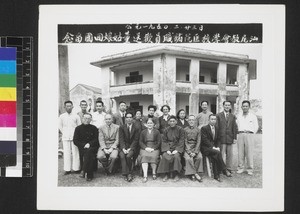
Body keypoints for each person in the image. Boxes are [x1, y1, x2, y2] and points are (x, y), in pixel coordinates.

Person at [200, 114, 232, 182]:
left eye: (214, 119)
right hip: (205, 148)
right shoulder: (204, 128)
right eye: (212, 119)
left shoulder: (217, 128)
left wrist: (217, 147)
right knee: (217, 153)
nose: (213, 121)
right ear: (208, 120)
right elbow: (205, 140)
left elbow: (218, 140)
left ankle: (216, 176)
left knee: (215, 155)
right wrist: (213, 147)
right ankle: (224, 169)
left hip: (214, 150)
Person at [157, 115, 185, 182]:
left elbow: (181, 140)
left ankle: (176, 174)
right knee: (165, 156)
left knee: (176, 157)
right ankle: (166, 174)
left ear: (176, 122)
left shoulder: (180, 129)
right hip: (168, 147)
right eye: (170, 121)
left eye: (173, 121)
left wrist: (177, 150)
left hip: (177, 147)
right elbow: (164, 140)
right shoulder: (166, 130)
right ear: (168, 122)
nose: (172, 122)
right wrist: (167, 150)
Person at [73, 113, 99, 181]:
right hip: (82, 147)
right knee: (88, 152)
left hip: (93, 147)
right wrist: (84, 145)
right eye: (85, 118)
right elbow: (75, 140)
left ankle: (84, 170)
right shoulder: (78, 128)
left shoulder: (94, 128)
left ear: (91, 120)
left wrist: (89, 144)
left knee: (89, 151)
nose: (86, 120)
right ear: (82, 119)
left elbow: (96, 139)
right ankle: (89, 174)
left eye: (88, 118)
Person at [236, 100, 259, 175]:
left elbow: (256, 126)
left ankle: (250, 169)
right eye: (244, 106)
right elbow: (236, 126)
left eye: (246, 106)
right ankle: (240, 168)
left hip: (249, 135)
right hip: (240, 134)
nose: (245, 107)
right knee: (240, 153)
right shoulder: (238, 116)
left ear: (249, 107)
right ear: (241, 107)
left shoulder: (253, 116)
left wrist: (252, 133)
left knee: (249, 153)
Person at [58, 101, 81, 175]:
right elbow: (60, 126)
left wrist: (76, 135)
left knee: (75, 153)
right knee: (67, 153)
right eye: (67, 106)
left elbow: (79, 126)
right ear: (64, 107)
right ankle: (67, 169)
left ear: (72, 106)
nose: (69, 107)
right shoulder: (62, 116)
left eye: (70, 106)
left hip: (75, 137)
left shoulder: (76, 116)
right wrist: (64, 133)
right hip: (65, 137)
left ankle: (76, 168)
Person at [216, 101, 238, 173]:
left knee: (230, 155)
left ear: (230, 106)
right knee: (221, 154)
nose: (227, 106)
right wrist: (217, 138)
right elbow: (217, 127)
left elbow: (235, 128)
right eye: (226, 105)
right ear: (223, 106)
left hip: (230, 138)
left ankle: (229, 168)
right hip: (221, 138)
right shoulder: (218, 115)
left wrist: (234, 138)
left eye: (228, 105)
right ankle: (221, 168)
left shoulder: (233, 116)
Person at [139, 118, 162, 182]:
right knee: (144, 156)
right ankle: (145, 175)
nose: (149, 124)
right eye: (148, 123)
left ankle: (154, 173)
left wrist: (153, 148)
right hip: (145, 148)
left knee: (153, 156)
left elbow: (158, 142)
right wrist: (146, 148)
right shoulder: (143, 132)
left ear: (154, 124)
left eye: (151, 123)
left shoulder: (157, 132)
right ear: (146, 124)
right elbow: (140, 142)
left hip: (154, 148)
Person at [119, 112, 139, 182]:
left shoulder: (136, 128)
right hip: (124, 146)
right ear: (125, 119)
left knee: (128, 156)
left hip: (132, 147)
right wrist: (123, 148)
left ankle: (129, 173)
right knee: (122, 155)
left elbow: (136, 140)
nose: (129, 119)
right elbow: (121, 139)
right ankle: (126, 173)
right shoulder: (122, 127)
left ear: (133, 119)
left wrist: (130, 148)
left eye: (130, 117)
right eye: (127, 117)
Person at [184, 115, 203, 182]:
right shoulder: (185, 130)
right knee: (188, 158)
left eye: (193, 120)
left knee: (199, 157)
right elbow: (185, 141)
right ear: (188, 121)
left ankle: (193, 173)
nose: (191, 121)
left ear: (195, 121)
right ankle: (195, 174)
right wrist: (189, 152)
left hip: (195, 148)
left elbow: (199, 141)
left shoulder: (198, 130)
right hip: (187, 148)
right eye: (190, 120)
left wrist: (195, 152)